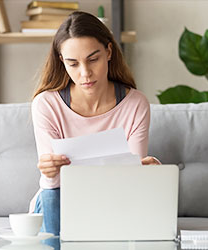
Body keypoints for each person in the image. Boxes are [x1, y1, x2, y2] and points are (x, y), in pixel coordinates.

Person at [30, 11, 160, 236]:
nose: (85, 73)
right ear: (62, 61)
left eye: (93, 59)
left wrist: (150, 173)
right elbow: (54, 183)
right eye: (73, 64)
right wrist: (48, 171)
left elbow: (129, 181)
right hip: (59, 196)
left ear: (108, 52)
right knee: (53, 191)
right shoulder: (46, 104)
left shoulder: (135, 104)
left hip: (113, 198)